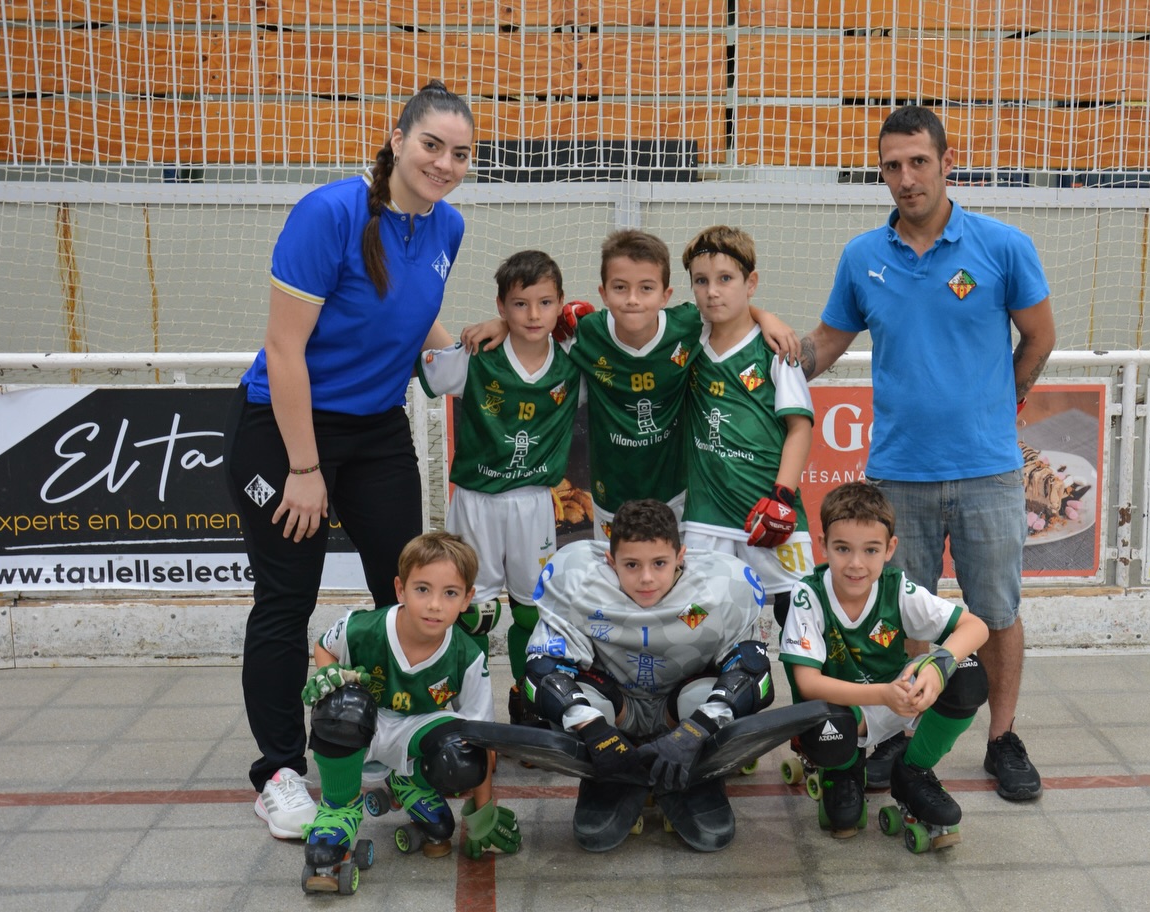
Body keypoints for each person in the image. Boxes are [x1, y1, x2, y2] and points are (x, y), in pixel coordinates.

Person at [224, 80, 475, 839]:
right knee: (286, 596)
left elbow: (411, 312)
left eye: (461, 153)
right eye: (431, 144)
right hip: (284, 428)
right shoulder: (329, 212)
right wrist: (305, 469)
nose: (444, 162)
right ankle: (278, 770)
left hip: (377, 430)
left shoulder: (449, 225)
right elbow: (284, 348)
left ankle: (389, 741)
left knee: (403, 590)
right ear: (397, 140)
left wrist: (456, 348)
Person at [797, 105, 1056, 801]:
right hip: (897, 475)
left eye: (918, 161)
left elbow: (1039, 336)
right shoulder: (862, 257)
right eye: (892, 165)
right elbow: (823, 344)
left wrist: (1010, 400)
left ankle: (1003, 739)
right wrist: (753, 348)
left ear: (948, 162)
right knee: (905, 617)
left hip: (988, 472)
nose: (906, 177)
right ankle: (904, 736)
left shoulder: (1003, 246)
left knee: (995, 610)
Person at [520, 498, 775, 852]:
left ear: (680, 556)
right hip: (615, 706)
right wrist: (596, 733)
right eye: (631, 564)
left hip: (679, 707)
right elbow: (541, 673)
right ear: (610, 561)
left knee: (725, 689)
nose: (646, 578)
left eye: (659, 563)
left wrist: (693, 732)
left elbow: (754, 674)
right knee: (559, 691)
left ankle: (695, 776)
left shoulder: (721, 587)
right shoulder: (578, 581)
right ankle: (609, 775)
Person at [415, 249, 581, 726]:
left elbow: (615, 323)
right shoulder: (476, 357)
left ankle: (527, 701)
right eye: (520, 305)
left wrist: (509, 321)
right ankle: (470, 707)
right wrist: (494, 327)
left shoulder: (573, 361)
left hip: (534, 504)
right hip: (476, 502)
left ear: (560, 304)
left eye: (545, 303)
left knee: (533, 611)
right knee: (473, 611)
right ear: (502, 305)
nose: (533, 314)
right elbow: (423, 365)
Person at [299, 532, 520, 887]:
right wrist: (329, 673)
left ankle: (409, 783)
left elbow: (481, 738)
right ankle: (337, 812)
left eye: (450, 593)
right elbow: (324, 646)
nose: (435, 604)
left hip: (415, 730)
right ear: (400, 590)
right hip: (363, 722)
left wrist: (483, 812)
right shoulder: (363, 627)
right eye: (422, 589)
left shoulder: (467, 655)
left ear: (467, 599)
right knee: (342, 702)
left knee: (465, 753)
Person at [553, 229, 799, 540]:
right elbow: (530, 327)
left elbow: (727, 307)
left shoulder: (687, 327)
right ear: (603, 293)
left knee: (670, 581)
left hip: (675, 499)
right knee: (616, 583)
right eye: (620, 287)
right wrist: (502, 322)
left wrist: (764, 316)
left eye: (646, 288)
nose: (632, 299)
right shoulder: (586, 333)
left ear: (665, 295)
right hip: (609, 499)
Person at [779, 482, 989, 841]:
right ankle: (842, 772)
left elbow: (975, 627)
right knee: (829, 729)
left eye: (871, 550)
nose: (856, 563)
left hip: (897, 694)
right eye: (842, 548)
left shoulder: (896, 587)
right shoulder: (808, 594)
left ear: (889, 548)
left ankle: (912, 772)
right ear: (823, 545)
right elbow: (808, 683)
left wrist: (938, 667)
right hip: (845, 708)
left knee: (967, 671)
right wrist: (884, 695)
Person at [678, 225, 815, 627]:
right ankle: (716, 688)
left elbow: (799, 428)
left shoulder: (776, 350)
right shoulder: (685, 341)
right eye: (701, 281)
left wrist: (782, 496)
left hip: (767, 507)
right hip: (707, 515)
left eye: (725, 279)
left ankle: (810, 691)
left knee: (798, 608)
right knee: (700, 617)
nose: (712, 291)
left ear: (750, 283)